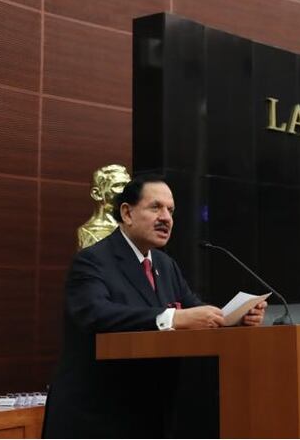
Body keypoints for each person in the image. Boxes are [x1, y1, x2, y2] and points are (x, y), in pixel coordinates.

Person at [44, 174, 267, 438]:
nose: (166, 218)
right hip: (97, 415)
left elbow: (195, 312)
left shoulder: (165, 264)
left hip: (149, 414)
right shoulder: (93, 260)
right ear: (127, 213)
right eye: (156, 207)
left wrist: (234, 319)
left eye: (170, 210)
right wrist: (171, 318)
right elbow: (96, 314)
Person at [76, 163, 131, 250]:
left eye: (127, 185)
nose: (126, 191)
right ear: (97, 194)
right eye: (118, 185)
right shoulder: (90, 233)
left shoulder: (135, 227)